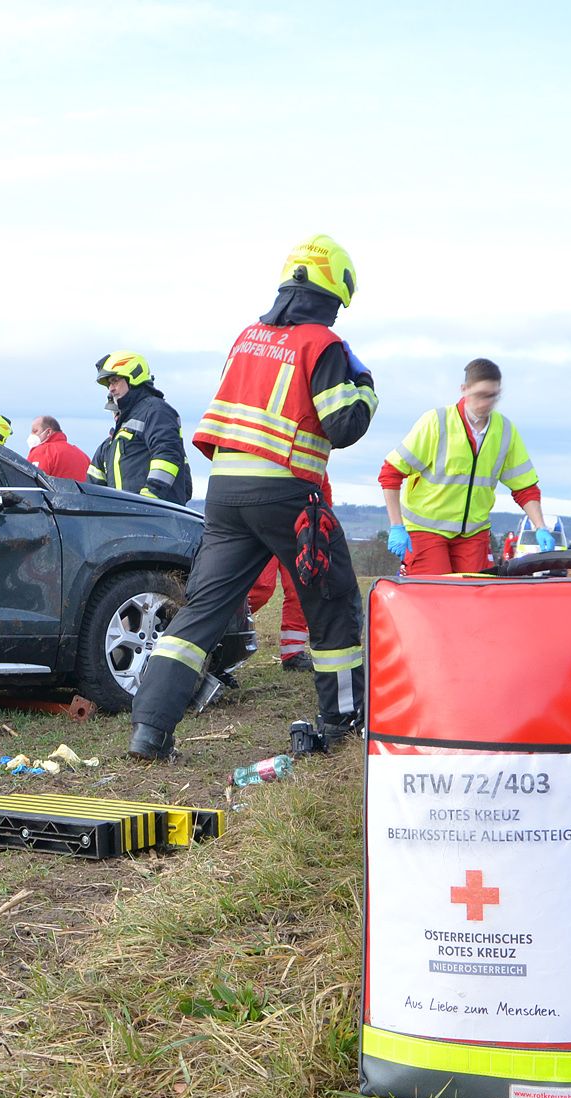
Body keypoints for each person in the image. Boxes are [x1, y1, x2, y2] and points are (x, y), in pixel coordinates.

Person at [127, 234, 376, 760]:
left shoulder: (247, 337)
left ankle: (148, 730)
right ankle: (344, 720)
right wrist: (365, 386)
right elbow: (343, 425)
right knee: (332, 603)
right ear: (335, 294)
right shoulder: (322, 345)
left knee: (202, 611)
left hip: (225, 493)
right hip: (286, 493)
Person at [380, 358, 552, 575]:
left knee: (476, 596)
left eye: (493, 396)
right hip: (427, 530)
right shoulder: (436, 422)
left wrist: (540, 527)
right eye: (480, 395)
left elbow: (525, 487)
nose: (486, 403)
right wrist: (397, 526)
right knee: (435, 596)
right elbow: (391, 473)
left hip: (473, 533)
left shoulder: (505, 431)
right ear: (464, 390)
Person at [244, 471, 334, 672]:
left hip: (299, 531)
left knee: (301, 588)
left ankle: (293, 654)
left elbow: (324, 489)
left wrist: (325, 524)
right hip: (263, 525)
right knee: (260, 588)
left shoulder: (311, 457)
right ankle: (222, 632)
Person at [87, 352, 190, 504]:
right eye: (109, 384)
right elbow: (93, 487)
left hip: (154, 518)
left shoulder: (156, 411)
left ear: (133, 377)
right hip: (127, 520)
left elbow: (166, 455)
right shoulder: (113, 440)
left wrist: (149, 498)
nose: (111, 389)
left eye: (115, 381)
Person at [25, 416, 90, 481]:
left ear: (48, 432)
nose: (31, 435)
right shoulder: (83, 456)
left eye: (35, 431)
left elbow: (31, 482)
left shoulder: (42, 452)